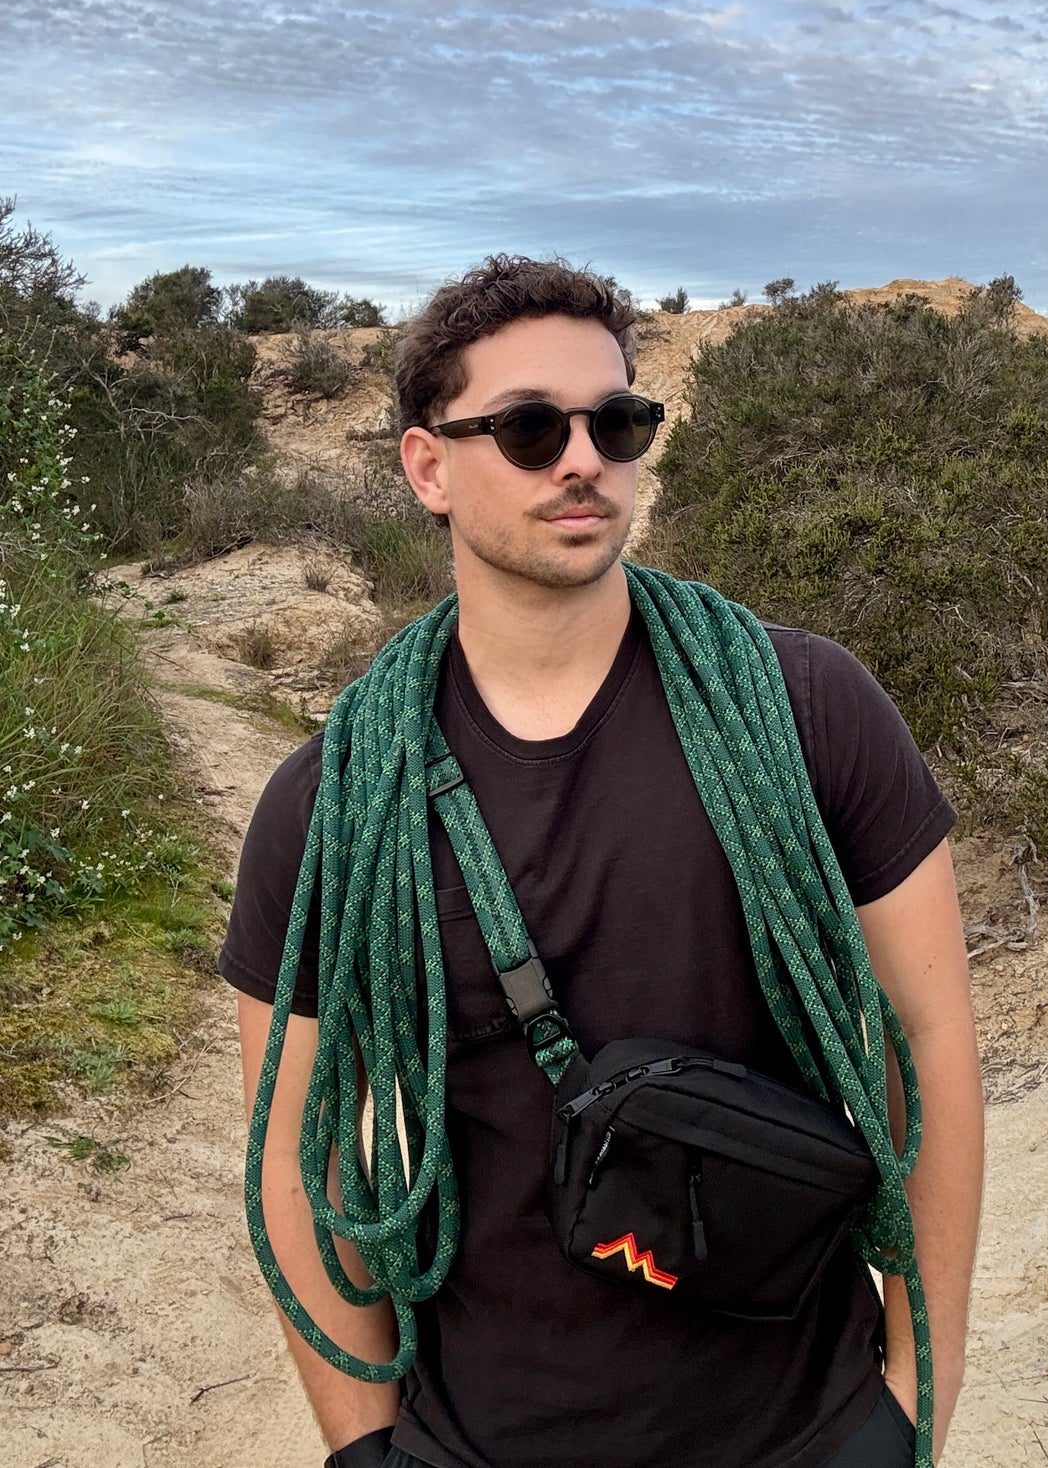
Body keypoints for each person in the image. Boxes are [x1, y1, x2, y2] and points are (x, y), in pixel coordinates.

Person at [222, 256, 984, 1468]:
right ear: (428, 466)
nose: (582, 460)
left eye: (616, 422)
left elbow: (928, 1045)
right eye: (529, 428)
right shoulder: (334, 806)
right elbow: (295, 1150)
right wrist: (364, 1449)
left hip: (810, 1428)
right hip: (479, 1442)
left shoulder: (808, 710)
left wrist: (910, 1401)